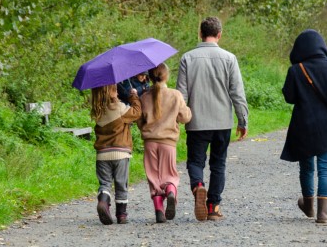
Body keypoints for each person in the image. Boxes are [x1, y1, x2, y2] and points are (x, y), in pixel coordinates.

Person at [176, 16, 249, 222]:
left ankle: (198, 186)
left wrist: (177, 119)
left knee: (196, 160)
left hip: (196, 122)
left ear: (200, 33)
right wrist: (242, 121)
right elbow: (237, 93)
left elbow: (181, 95)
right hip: (222, 122)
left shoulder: (187, 58)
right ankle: (213, 207)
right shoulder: (229, 58)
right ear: (219, 34)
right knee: (218, 164)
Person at [280, 29, 327, 224]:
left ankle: (308, 206)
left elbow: (289, 97)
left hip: (303, 125)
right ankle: (323, 214)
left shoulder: (296, 70)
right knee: (325, 168)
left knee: (307, 167)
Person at [137, 63, 192, 223]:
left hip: (150, 142)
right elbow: (185, 117)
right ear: (166, 76)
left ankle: (159, 210)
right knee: (170, 174)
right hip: (168, 143)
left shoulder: (144, 97)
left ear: (150, 77)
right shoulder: (175, 95)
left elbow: (140, 122)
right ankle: (170, 192)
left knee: (153, 176)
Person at [90, 84, 142, 225]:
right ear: (112, 93)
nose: (118, 91)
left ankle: (103, 200)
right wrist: (133, 96)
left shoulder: (97, 111)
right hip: (120, 153)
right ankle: (121, 215)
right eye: (115, 89)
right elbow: (137, 112)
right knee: (121, 184)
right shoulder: (119, 108)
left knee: (105, 184)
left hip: (102, 155)